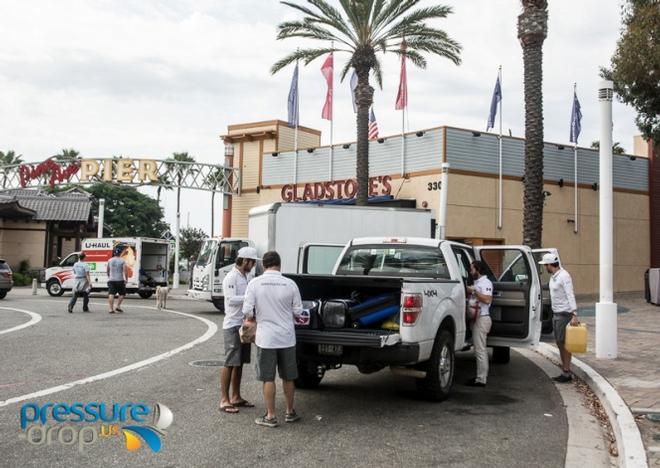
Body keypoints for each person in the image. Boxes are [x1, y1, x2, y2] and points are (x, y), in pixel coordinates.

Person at [242, 251, 303, 428]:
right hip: (287, 338)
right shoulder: (290, 284)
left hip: (266, 338)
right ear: (279, 264)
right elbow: (298, 312)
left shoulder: (255, 283)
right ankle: (290, 412)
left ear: (264, 265)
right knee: (288, 377)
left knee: (268, 378)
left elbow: (247, 310)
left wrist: (253, 317)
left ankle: (270, 416)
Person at [219, 247, 259, 414]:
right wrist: (249, 298)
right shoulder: (231, 277)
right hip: (232, 325)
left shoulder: (246, 276)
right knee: (230, 362)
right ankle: (224, 399)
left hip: (243, 324)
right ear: (244, 261)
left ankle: (236, 396)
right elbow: (230, 299)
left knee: (240, 362)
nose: (254, 265)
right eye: (252, 262)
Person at [539, 252, 579, 383]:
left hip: (564, 314)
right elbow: (550, 288)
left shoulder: (564, 276)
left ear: (551, 264)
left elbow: (570, 294)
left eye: (546, 265)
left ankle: (566, 372)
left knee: (564, 343)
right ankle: (565, 369)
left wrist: (574, 314)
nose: (545, 267)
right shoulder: (554, 277)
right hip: (556, 313)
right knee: (559, 342)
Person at [466, 260, 493, 388]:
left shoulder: (486, 283)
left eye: (472, 269)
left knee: (480, 350)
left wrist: (474, 291)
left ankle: (481, 379)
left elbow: (487, 300)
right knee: (478, 349)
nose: (470, 271)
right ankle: (480, 377)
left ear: (478, 269)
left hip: (482, 319)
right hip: (477, 319)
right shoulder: (478, 283)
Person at [107, 247, 129, 314]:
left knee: (111, 294)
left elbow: (107, 270)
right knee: (122, 293)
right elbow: (125, 271)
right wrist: (126, 279)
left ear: (114, 253)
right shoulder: (122, 260)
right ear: (120, 253)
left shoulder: (110, 260)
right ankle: (118, 306)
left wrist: (109, 276)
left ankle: (111, 309)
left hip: (111, 280)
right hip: (120, 280)